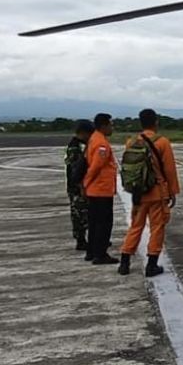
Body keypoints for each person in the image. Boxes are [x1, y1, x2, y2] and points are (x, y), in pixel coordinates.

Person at [118, 108, 180, 277]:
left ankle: (124, 261)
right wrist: (172, 191)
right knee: (157, 228)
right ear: (156, 122)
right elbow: (169, 170)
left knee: (136, 226)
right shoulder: (162, 142)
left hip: (138, 192)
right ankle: (151, 264)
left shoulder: (131, 142)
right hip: (157, 192)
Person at [83, 112, 119, 265]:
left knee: (94, 222)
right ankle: (100, 254)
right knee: (103, 223)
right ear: (103, 126)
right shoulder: (101, 144)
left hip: (95, 189)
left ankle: (91, 251)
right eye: (111, 125)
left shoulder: (94, 139)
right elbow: (96, 166)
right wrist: (87, 182)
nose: (112, 128)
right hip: (101, 189)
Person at [64, 119, 94, 253]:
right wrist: (81, 187)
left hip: (75, 186)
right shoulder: (75, 148)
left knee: (81, 213)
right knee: (79, 214)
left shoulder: (76, 145)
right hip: (76, 187)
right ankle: (81, 240)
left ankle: (83, 239)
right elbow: (76, 170)